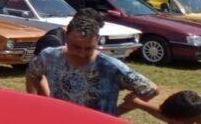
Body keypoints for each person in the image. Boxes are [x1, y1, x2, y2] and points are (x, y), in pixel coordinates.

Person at [26, 9, 158, 115]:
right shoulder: (49, 56)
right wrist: (45, 99)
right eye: (76, 47)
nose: (82, 53)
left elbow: (151, 90)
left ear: (97, 39)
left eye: (89, 48)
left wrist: (118, 112)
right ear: (66, 36)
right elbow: (33, 72)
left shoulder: (111, 67)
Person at [120, 90, 201, 123]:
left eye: (174, 121)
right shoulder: (193, 117)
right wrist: (138, 103)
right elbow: (161, 114)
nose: (170, 122)